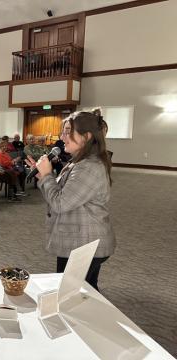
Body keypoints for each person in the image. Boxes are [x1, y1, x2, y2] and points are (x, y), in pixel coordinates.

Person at [25, 110, 115, 291]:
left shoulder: (89, 167)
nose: (62, 137)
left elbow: (60, 203)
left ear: (86, 136)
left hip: (84, 244)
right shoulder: (80, 162)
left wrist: (47, 175)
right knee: (84, 292)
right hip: (79, 240)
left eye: (68, 132)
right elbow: (62, 193)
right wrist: (43, 175)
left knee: (72, 295)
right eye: (63, 131)